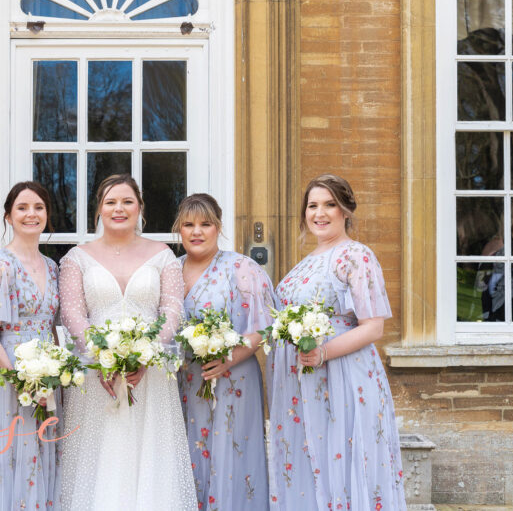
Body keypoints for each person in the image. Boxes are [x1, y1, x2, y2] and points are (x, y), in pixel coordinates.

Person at [58, 174, 198, 511]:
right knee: (100, 456)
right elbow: (73, 315)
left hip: (150, 375)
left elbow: (171, 311)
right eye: (110, 202)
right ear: (99, 210)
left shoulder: (163, 254)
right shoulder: (77, 257)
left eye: (127, 201)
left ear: (140, 208)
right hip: (96, 376)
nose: (118, 208)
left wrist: (144, 358)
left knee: (149, 457)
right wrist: (104, 359)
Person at [267, 174, 405, 511]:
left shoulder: (356, 256)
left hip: (343, 380)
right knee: (307, 465)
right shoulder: (307, 261)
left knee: (340, 463)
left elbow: (373, 327)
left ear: (346, 210)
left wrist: (324, 351)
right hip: (302, 383)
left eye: (329, 204)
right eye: (312, 205)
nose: (320, 213)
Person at [174, 193, 274, 510]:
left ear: (218, 227)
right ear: (179, 229)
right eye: (188, 224)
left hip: (233, 380)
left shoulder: (242, 269)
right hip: (185, 382)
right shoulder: (169, 272)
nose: (196, 232)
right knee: (190, 452)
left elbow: (262, 327)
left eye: (205, 224)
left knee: (232, 454)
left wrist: (228, 358)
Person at [0, 181, 62, 510]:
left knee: (43, 447)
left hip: (48, 375)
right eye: (22, 208)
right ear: (8, 217)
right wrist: (21, 379)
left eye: (38, 207)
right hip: (11, 373)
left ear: (47, 215)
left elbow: (51, 329)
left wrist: (55, 376)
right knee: (16, 450)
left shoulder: (52, 268)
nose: (31, 214)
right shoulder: (1, 266)